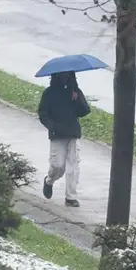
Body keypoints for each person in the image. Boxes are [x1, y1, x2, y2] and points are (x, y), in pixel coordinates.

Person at [37, 71, 91, 207]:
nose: (65, 77)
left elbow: (84, 111)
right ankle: (49, 181)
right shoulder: (49, 93)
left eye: (68, 75)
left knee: (73, 166)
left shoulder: (75, 91)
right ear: (57, 75)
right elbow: (43, 113)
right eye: (62, 75)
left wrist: (77, 100)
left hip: (73, 133)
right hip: (57, 134)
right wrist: (52, 126)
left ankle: (71, 197)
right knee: (58, 166)